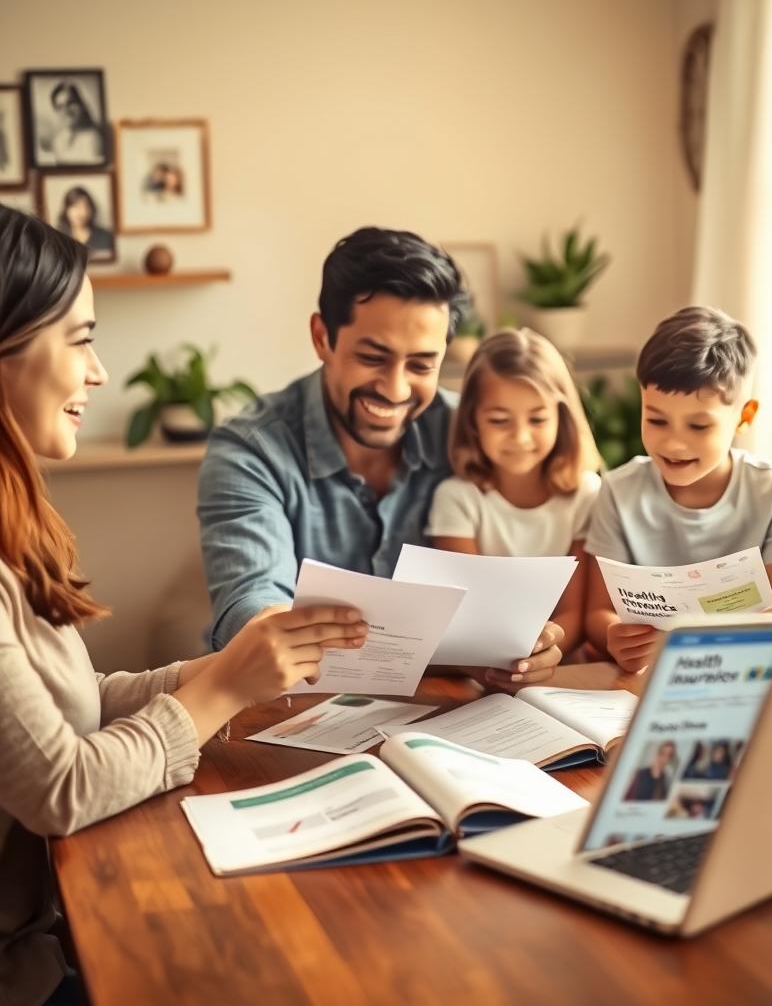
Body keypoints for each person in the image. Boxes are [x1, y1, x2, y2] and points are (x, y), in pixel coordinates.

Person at [0, 207, 367, 1006]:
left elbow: (76, 707)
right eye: (81, 338)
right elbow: (60, 785)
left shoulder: (17, 521)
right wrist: (223, 693)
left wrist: (221, 669)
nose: (99, 372)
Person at [198, 227, 566, 687]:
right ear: (321, 337)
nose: (395, 389)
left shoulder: (474, 434)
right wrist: (276, 634)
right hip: (289, 707)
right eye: (373, 357)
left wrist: (519, 647)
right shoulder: (251, 451)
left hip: (440, 716)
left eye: (421, 365)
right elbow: (254, 612)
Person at [583, 306, 772, 672]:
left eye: (699, 427)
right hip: (647, 677)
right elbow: (597, 612)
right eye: (656, 420)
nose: (673, 444)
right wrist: (615, 634)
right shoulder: (618, 491)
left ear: (744, 416)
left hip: (740, 674)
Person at [425, 328, 602, 666]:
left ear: (560, 417)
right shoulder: (457, 499)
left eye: (537, 418)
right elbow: (466, 611)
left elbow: (574, 616)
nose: (520, 437)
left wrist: (541, 655)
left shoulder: (586, 494)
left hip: (559, 665)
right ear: (473, 421)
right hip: (478, 662)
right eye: (500, 420)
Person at [48, 82, 103, 165]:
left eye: (70, 103)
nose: (66, 111)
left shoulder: (94, 138)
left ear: (81, 105)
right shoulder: (58, 141)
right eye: (60, 107)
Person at [56, 186, 112, 259]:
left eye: (85, 206)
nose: (81, 212)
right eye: (75, 206)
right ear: (66, 210)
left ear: (92, 209)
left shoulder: (105, 237)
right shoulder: (57, 238)